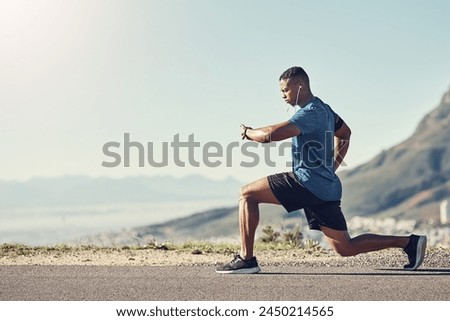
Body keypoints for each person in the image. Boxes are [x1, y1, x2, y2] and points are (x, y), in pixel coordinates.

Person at [215, 66, 427, 274]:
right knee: (345, 247)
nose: (282, 95)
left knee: (246, 194)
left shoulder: (310, 113)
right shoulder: (324, 110)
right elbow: (346, 133)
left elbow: (269, 135)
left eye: (285, 90)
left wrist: (248, 132)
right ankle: (409, 243)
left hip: (305, 182)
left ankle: (247, 259)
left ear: (300, 86)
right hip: (324, 188)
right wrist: (331, 166)